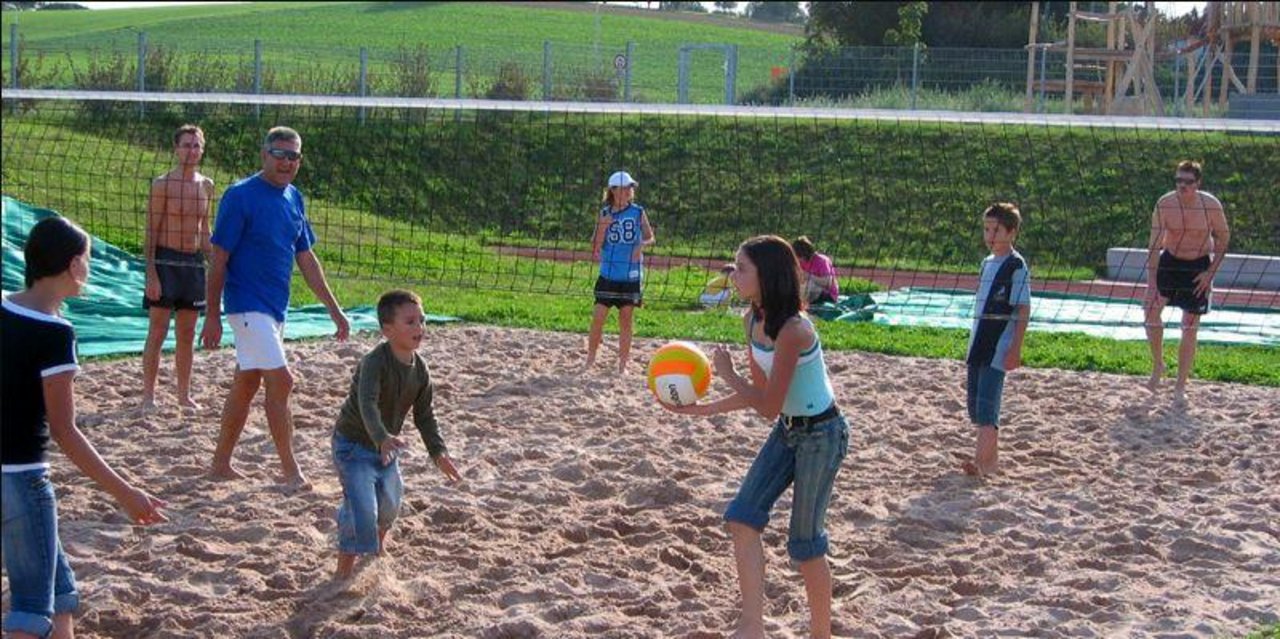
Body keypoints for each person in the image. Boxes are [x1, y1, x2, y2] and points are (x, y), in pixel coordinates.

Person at [664, 235, 849, 639]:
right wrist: (699, 410)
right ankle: (752, 626)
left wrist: (727, 374)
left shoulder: (795, 331)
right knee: (742, 519)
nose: (734, 273)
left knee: (805, 544)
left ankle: (822, 635)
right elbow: (761, 399)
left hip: (822, 435)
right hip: (788, 430)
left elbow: (766, 404)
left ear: (767, 275)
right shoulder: (752, 319)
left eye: (742, 267)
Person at [3, 216, 168, 639]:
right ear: (75, 266)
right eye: (88, 262)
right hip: (21, 480)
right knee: (29, 609)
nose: (89, 270)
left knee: (58, 586)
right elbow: (65, 431)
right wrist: (125, 493)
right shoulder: (56, 332)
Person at [200, 126, 351, 487]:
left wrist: (334, 308)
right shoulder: (240, 196)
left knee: (247, 383)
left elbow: (307, 258)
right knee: (282, 380)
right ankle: (290, 471)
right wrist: (212, 316)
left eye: (293, 156)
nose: (286, 162)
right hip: (246, 304)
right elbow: (218, 260)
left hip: (274, 308)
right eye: (279, 154)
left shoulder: (294, 198)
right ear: (264, 155)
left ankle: (220, 464)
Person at [331, 290, 462, 580]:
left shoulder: (421, 369)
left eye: (422, 320)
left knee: (390, 505)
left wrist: (437, 453)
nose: (420, 328)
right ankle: (342, 573)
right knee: (361, 509)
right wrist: (381, 437)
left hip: (386, 448)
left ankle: (377, 544)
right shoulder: (374, 362)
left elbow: (425, 416)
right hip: (353, 445)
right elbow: (366, 404)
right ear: (387, 330)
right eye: (411, 322)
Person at [1142, 160, 1230, 403]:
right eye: (1178, 181)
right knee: (1150, 310)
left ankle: (1180, 385)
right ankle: (1158, 365)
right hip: (1170, 261)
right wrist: (1151, 286)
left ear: (1198, 183)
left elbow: (1224, 239)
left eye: (1188, 182)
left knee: (1189, 324)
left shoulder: (1210, 206)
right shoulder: (1165, 204)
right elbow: (1153, 245)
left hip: (1198, 265)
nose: (1182, 186)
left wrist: (1210, 273)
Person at [141, 124, 214, 412]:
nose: (191, 150)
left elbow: (205, 230)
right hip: (165, 261)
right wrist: (151, 272)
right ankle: (149, 396)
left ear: (202, 150)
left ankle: (183, 395)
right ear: (176, 148)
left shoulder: (206, 185)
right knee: (157, 331)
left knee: (187, 334)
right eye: (186, 145)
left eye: (196, 145)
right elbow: (151, 230)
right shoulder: (162, 185)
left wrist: (214, 266)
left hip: (193, 263)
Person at [963, 203, 1032, 478]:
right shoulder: (986, 264)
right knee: (976, 406)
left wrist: (1016, 348)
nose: (990, 236)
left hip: (998, 347)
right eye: (986, 229)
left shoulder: (1016, 266)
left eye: (997, 230)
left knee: (987, 407)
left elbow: (1023, 309)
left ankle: (983, 465)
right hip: (978, 343)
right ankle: (990, 461)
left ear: (1012, 232)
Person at [585, 170, 654, 374]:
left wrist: (641, 245)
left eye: (630, 187)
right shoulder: (605, 214)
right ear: (613, 190)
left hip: (631, 276)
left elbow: (651, 237)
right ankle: (590, 360)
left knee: (626, 320)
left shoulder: (638, 212)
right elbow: (595, 247)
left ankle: (622, 365)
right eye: (625, 187)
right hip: (608, 274)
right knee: (598, 318)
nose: (629, 191)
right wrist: (602, 228)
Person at [792, 236, 839, 305]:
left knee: (808, 285)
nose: (798, 259)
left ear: (805, 253)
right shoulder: (800, 262)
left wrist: (809, 276)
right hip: (810, 294)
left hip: (828, 295)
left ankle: (798, 306)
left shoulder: (822, 260)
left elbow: (828, 283)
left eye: (799, 256)